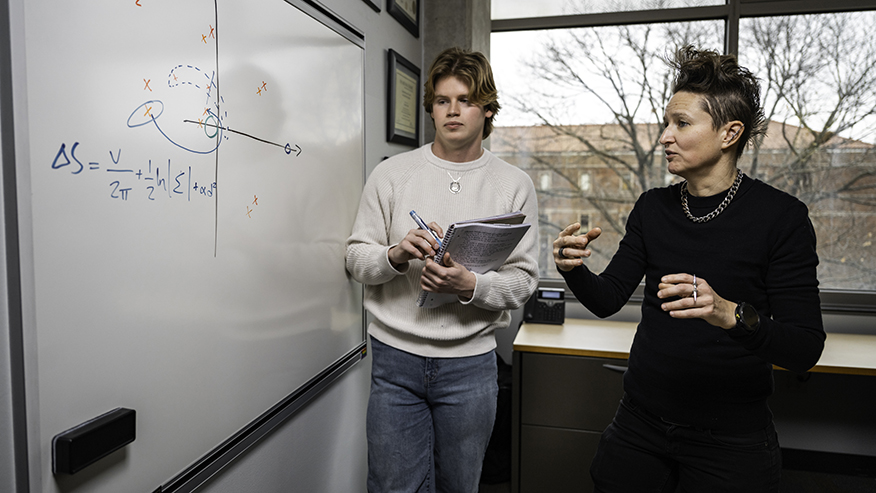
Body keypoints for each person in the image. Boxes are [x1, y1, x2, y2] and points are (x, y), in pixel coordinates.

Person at [553, 46, 825, 492]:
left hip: (731, 438)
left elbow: (804, 348)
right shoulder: (653, 208)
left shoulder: (782, 218)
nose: (664, 136)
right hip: (640, 423)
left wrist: (728, 313)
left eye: (681, 124)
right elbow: (607, 299)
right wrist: (572, 268)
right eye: (665, 123)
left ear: (729, 133)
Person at [345, 47, 539, 492]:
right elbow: (356, 258)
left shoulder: (514, 185)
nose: (452, 110)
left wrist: (469, 284)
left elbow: (524, 281)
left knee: (460, 485)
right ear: (431, 107)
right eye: (442, 100)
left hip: (470, 365)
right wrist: (395, 255)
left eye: (466, 100)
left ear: (487, 109)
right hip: (395, 362)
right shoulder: (391, 174)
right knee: (393, 486)